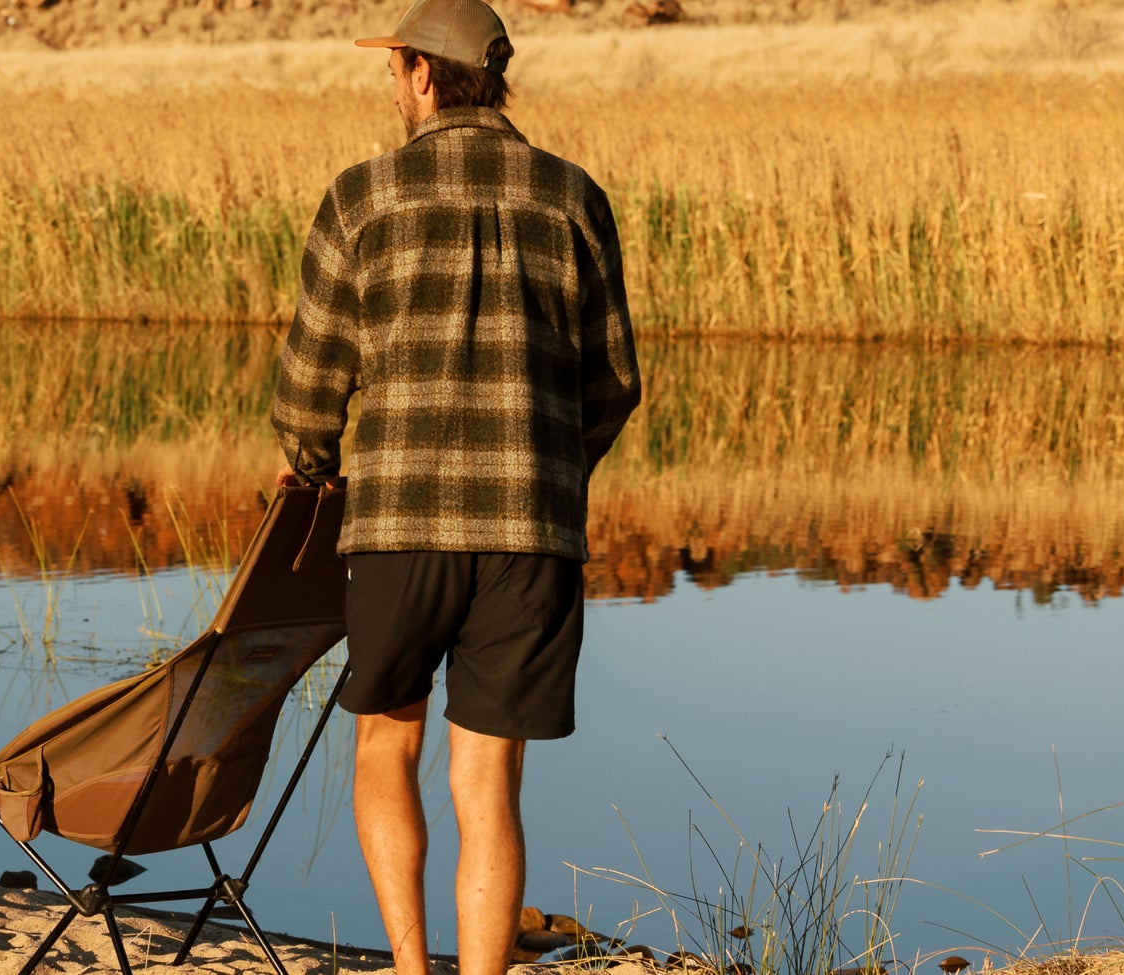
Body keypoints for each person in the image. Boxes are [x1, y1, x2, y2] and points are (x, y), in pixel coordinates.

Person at [270, 1, 643, 974]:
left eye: (395, 65)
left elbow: (309, 388)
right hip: (532, 536)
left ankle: (409, 967)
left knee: (384, 749)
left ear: (425, 75)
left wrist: (312, 463)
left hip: (397, 528)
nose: (392, 82)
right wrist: (551, 472)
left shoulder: (362, 197)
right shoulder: (574, 197)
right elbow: (613, 383)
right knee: (489, 781)